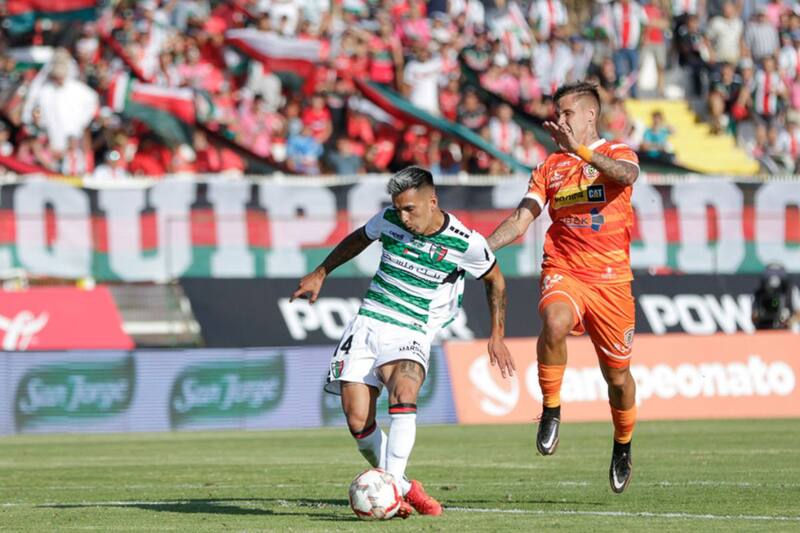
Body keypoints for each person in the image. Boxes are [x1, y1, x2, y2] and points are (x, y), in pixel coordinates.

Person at [291, 166, 515, 517]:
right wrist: (321, 272)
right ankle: (408, 487)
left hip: (411, 327)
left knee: (405, 390)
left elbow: (496, 280)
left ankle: (392, 487)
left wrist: (497, 334)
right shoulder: (389, 220)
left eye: (410, 209)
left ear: (432, 201)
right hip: (369, 320)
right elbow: (358, 239)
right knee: (356, 420)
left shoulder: (465, 241)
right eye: (398, 208)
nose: (403, 216)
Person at [486, 82, 639, 493]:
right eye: (558, 113)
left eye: (567, 113)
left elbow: (627, 176)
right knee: (554, 321)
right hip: (565, 270)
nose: (560, 121)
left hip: (612, 283)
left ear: (590, 115)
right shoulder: (549, 167)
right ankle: (551, 409)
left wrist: (582, 152)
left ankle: (622, 444)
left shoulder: (619, 154)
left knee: (619, 379)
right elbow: (521, 220)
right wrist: (480, 247)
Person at [752, 263, 800, 332]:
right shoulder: (759, 293)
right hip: (763, 330)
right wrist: (759, 315)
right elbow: (753, 316)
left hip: (786, 332)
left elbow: (798, 314)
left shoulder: (791, 291)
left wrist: (788, 321)